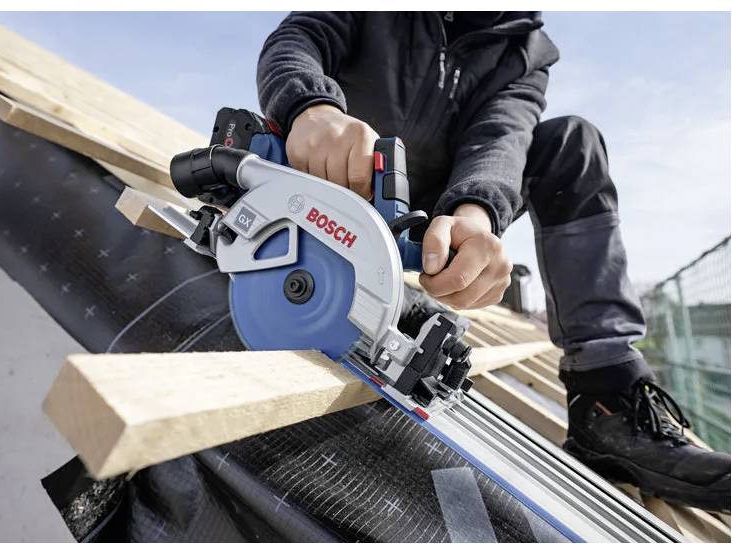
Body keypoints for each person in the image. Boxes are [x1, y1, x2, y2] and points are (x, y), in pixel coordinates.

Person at [256, 11, 730, 512]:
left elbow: (502, 135)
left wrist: (477, 213)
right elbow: (299, 37)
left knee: (573, 142)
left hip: (433, 214)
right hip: (331, 179)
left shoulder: (527, 51)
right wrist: (310, 105)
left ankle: (606, 396)